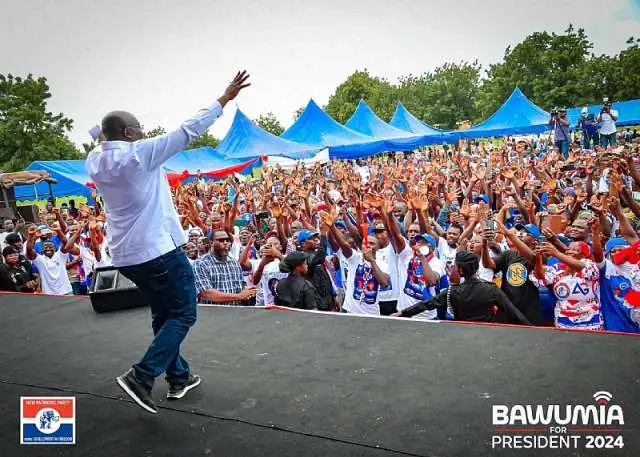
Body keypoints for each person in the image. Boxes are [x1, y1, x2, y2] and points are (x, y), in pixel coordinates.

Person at [86, 71, 250, 414]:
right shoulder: (139, 154)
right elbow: (187, 131)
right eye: (140, 130)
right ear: (130, 134)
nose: (145, 133)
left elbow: (102, 135)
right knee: (184, 313)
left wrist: (107, 132)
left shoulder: (95, 160)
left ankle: (180, 376)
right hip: (157, 251)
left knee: (164, 314)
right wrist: (223, 100)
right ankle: (142, 376)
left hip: (126, 256)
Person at [393, 251, 530, 324]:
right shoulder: (491, 289)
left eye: (454, 266)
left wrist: (402, 313)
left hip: (461, 334)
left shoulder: (452, 292)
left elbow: (427, 304)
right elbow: (513, 312)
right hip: (487, 335)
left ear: (460, 271)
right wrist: (532, 329)